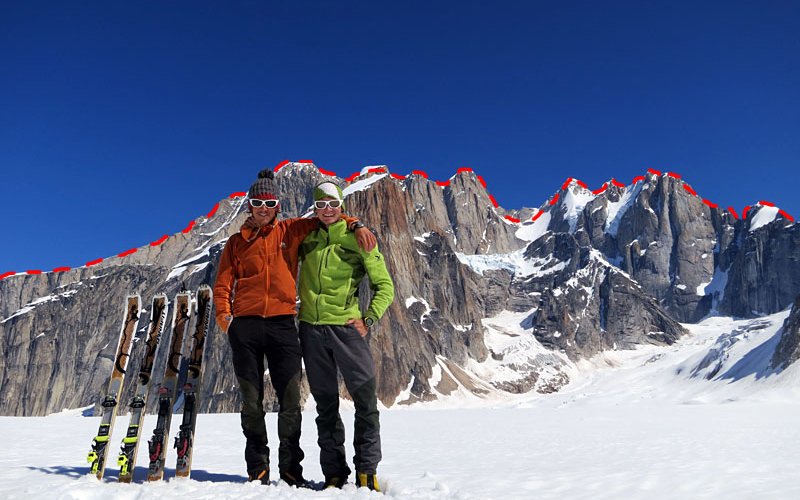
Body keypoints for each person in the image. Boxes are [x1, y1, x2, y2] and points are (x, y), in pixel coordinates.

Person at [213, 169, 376, 487]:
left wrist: (357, 224)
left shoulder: (291, 231)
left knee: (289, 402)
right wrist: (225, 318)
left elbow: (328, 216)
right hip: (244, 328)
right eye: (258, 201)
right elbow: (223, 284)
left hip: (282, 326)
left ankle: (290, 468)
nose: (263, 207)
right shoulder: (235, 243)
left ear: (278, 205)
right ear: (249, 205)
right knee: (251, 401)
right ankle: (257, 465)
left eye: (269, 201)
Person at [297, 181, 395, 492]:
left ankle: (367, 471)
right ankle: (334, 474)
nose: (327, 210)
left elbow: (385, 287)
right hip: (311, 331)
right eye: (320, 205)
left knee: (366, 401)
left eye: (332, 204)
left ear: (341, 205)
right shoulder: (306, 236)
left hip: (346, 330)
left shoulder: (358, 239)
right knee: (325, 406)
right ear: (314, 208)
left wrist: (368, 318)